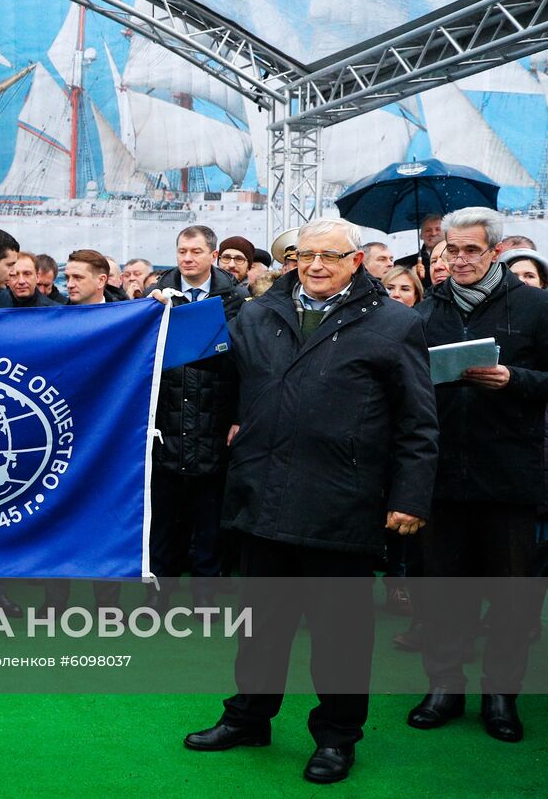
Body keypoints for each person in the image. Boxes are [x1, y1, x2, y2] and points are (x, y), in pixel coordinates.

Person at [184, 217, 437, 786]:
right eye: (306, 254)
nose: (316, 264)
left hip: (341, 503)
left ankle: (337, 737)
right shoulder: (256, 314)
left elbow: (419, 422)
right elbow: (221, 381)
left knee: (340, 635)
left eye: (330, 255)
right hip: (263, 493)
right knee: (260, 626)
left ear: (356, 261)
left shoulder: (394, 324)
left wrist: (410, 497)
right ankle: (249, 717)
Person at [409, 207, 548, 744]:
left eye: (471, 250)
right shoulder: (424, 314)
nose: (460, 259)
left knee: (512, 595)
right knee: (442, 590)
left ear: (494, 252)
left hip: (509, 475)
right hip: (440, 474)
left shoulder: (536, 307)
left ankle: (501, 695)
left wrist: (515, 379)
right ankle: (444, 687)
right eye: (451, 249)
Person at [144, 227, 243, 609]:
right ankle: (158, 595)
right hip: (164, 424)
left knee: (209, 520)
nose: (187, 258)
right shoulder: (154, 296)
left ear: (213, 255)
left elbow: (244, 363)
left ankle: (206, 596)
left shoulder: (235, 299)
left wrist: (238, 416)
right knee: (162, 521)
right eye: (182, 251)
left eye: (196, 251)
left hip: (213, 423)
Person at [396, 213, 445, 282]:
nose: (433, 233)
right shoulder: (402, 265)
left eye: (438, 229)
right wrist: (412, 278)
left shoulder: (455, 261)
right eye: (428, 230)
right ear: (421, 235)